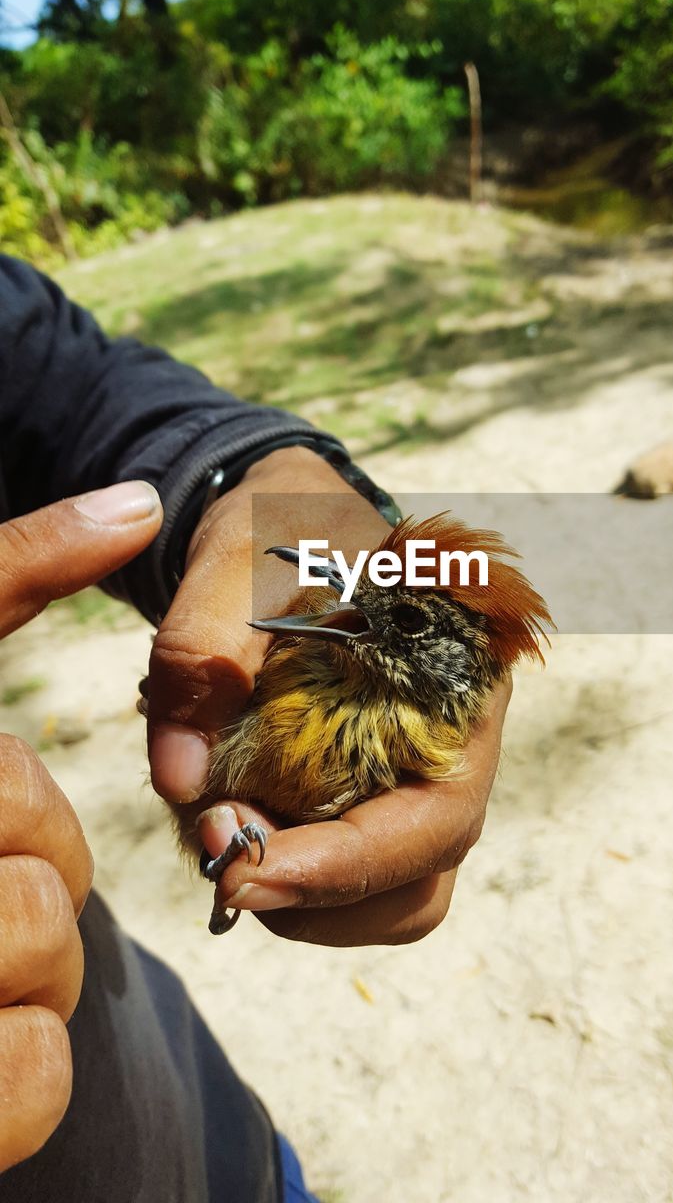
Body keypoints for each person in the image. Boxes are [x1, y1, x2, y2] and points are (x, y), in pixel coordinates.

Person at [0, 253, 510, 1200]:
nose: (343, 606)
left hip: (198, 1131)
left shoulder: (397, 700)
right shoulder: (326, 650)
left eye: (386, 611)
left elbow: (69, 387)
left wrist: (257, 474)